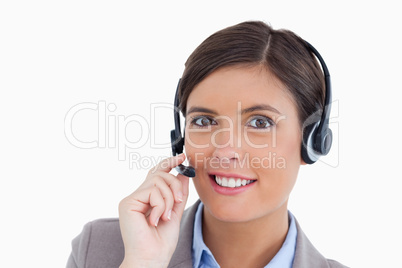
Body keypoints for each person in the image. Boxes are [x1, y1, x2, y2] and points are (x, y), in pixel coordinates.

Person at [67, 20, 348, 268]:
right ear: (181, 136)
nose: (226, 152)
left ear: (312, 140)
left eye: (260, 123)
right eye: (203, 122)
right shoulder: (99, 251)